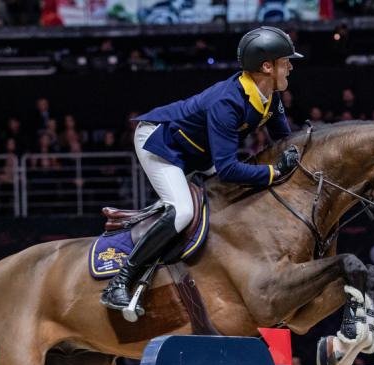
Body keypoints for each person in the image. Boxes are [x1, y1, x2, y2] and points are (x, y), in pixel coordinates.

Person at [100, 26, 302, 311]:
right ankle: (120, 282)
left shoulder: (269, 96)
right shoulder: (227, 103)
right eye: (286, 62)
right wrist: (274, 172)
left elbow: (286, 142)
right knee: (182, 211)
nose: (291, 67)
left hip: (196, 150)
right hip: (161, 142)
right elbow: (228, 170)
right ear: (267, 67)